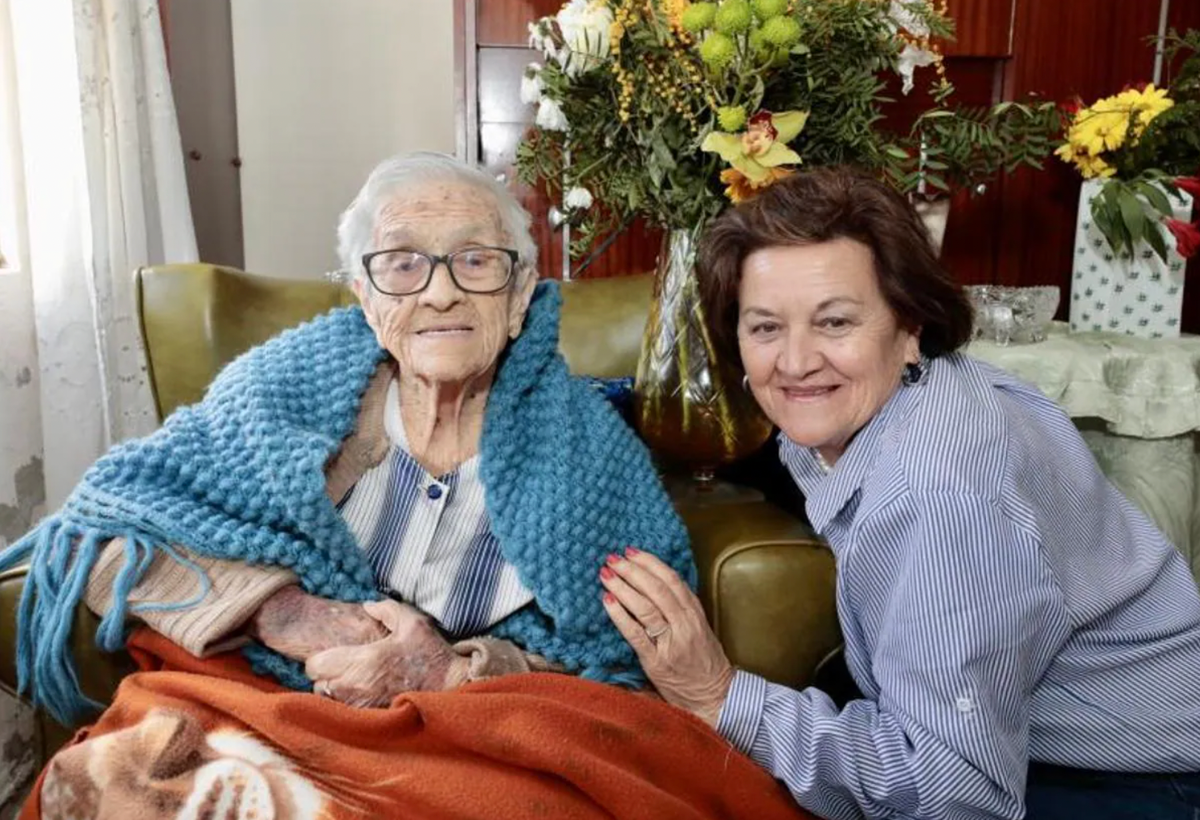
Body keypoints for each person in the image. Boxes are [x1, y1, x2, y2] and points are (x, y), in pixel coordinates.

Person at [0, 151, 696, 720]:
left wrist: (456, 673)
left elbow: (634, 671)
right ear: (366, 298)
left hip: (474, 725)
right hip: (268, 701)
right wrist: (284, 612)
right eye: (402, 263)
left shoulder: (591, 456)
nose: (440, 292)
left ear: (520, 297)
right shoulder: (279, 394)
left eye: (476, 260)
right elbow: (101, 533)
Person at [601, 166, 1200, 820]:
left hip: (1142, 781)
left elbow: (952, 792)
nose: (795, 361)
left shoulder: (938, 491)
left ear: (909, 325)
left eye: (834, 323)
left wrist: (717, 694)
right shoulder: (903, 397)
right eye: (766, 327)